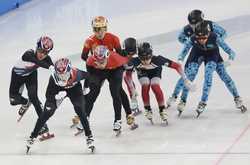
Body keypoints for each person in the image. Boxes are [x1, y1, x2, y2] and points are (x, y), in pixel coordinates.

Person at [178, 21, 247, 117]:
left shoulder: (215, 37)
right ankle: (183, 100)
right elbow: (184, 51)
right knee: (190, 75)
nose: (201, 40)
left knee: (213, 75)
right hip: (197, 54)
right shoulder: (193, 38)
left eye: (204, 38)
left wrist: (230, 60)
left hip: (212, 55)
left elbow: (231, 51)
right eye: (199, 38)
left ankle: (234, 98)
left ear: (209, 34)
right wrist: (180, 59)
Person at [26, 58, 95, 154]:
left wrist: (86, 87)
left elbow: (88, 76)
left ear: (70, 70)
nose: (62, 76)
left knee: (80, 110)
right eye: (60, 74)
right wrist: (56, 96)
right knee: (46, 113)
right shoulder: (53, 78)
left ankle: (89, 136)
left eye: (65, 74)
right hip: (57, 91)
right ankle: (32, 136)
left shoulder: (77, 73)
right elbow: (48, 95)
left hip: (74, 90)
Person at [80, 16, 137, 130]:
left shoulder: (114, 39)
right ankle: (85, 117)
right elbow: (84, 57)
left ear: (105, 28)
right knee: (93, 93)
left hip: (114, 67)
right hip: (98, 68)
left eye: (101, 29)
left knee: (116, 91)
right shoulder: (89, 42)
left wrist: (130, 66)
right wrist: (96, 66)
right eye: (95, 29)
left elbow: (121, 55)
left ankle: (120, 118)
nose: (98, 32)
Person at [168, 9, 228, 112]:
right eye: (191, 23)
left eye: (196, 23)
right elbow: (180, 38)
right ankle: (178, 97)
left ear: (202, 20)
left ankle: (201, 100)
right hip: (197, 51)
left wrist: (216, 42)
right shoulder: (187, 29)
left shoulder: (211, 25)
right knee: (188, 74)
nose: (193, 26)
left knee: (221, 75)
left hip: (211, 52)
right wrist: (190, 43)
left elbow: (223, 33)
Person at [127, 42, 193, 124]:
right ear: (138, 56)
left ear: (151, 55)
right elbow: (128, 76)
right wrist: (132, 89)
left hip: (155, 72)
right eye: (142, 59)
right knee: (145, 84)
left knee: (155, 86)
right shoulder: (134, 61)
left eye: (147, 58)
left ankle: (162, 109)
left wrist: (186, 79)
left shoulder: (158, 59)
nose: (145, 62)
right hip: (142, 73)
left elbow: (177, 66)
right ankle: (147, 109)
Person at [9, 36, 53, 134]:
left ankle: (43, 125)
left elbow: (55, 70)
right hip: (17, 76)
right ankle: (25, 102)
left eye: (46, 53)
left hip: (31, 75)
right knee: (13, 101)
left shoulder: (46, 58)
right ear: (36, 48)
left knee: (34, 98)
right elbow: (37, 61)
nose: (42, 54)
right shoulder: (28, 54)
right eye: (41, 50)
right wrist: (49, 66)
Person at [123, 37, 141, 115]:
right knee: (129, 84)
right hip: (125, 68)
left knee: (130, 83)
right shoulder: (120, 53)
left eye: (133, 53)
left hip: (131, 67)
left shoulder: (139, 52)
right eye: (128, 53)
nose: (130, 55)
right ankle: (134, 101)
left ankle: (134, 101)